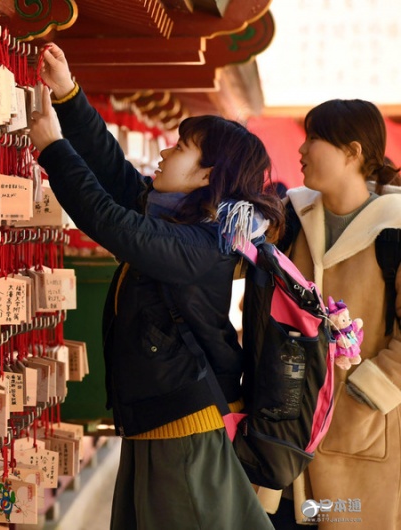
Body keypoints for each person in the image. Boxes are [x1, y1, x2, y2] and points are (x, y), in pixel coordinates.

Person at [28, 44, 283, 530]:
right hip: (159, 417)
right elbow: (116, 175)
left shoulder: (204, 242)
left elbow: (113, 224)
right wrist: (68, 94)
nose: (166, 149)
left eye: (181, 147)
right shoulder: (176, 217)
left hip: (185, 427)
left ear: (207, 175)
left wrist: (55, 150)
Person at [272, 99, 401, 529]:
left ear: (353, 151)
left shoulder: (395, 229)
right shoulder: (292, 216)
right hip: (285, 430)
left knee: (343, 518)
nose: (302, 149)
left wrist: (361, 398)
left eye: (314, 138)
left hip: (359, 433)